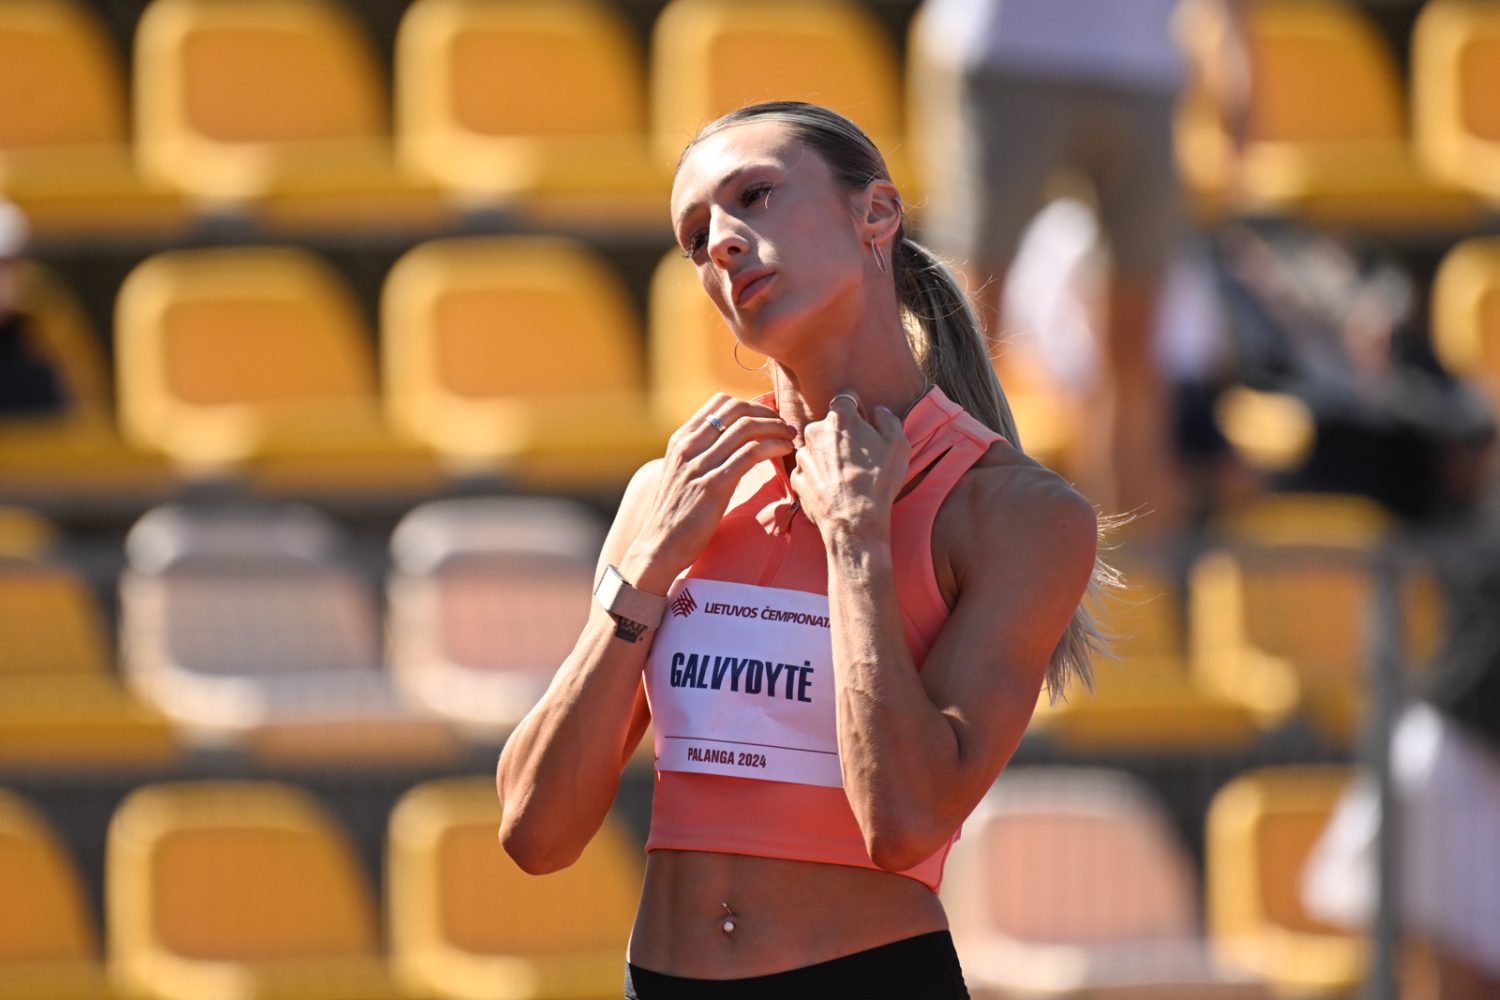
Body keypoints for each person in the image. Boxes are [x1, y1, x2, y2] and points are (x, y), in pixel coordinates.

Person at [495, 102, 1111, 998]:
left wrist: (856, 542)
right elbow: (535, 832)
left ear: (876, 216)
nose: (723, 246)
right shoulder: (672, 492)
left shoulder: (1017, 512)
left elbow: (904, 823)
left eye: (756, 196)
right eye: (696, 237)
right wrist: (647, 573)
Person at [911, 0, 1250, 531]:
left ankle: (1135, 581)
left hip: (1144, 68)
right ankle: (938, 540)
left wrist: (1235, 53)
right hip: (1004, 53)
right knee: (966, 327)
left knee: (1137, 351)